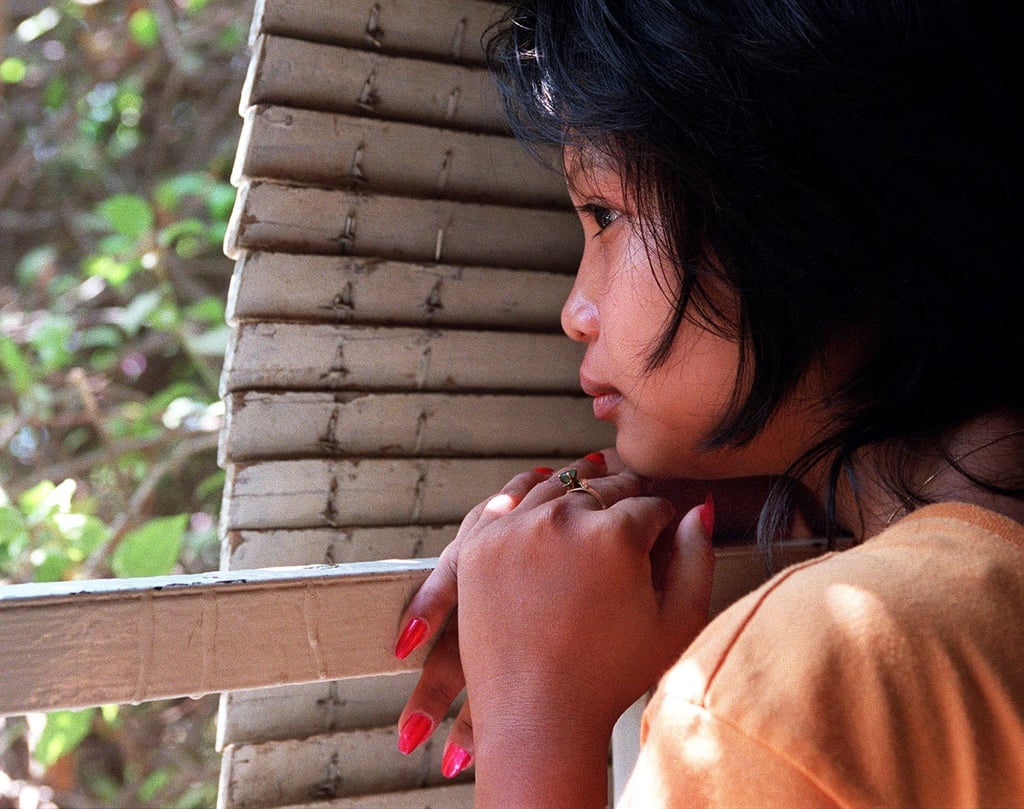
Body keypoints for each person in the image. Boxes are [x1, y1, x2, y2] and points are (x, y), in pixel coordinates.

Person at [391, 1, 1024, 805]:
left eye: (606, 214)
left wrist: (537, 721)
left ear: (799, 205)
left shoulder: (790, 690)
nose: (573, 311)